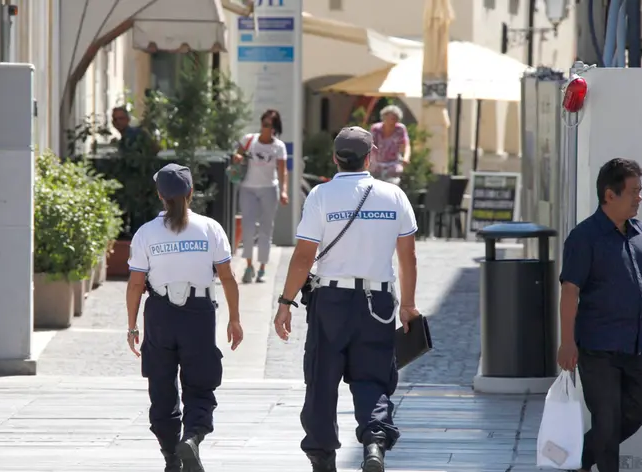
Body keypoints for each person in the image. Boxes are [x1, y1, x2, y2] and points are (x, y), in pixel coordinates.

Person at [273, 126, 421, 472]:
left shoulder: (321, 196)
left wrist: (285, 301)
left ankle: (322, 457)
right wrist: (409, 305)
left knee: (322, 378)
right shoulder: (394, 196)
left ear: (336, 157)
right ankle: (374, 443)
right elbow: (408, 256)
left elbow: (304, 256)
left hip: (331, 301)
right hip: (378, 303)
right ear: (371, 157)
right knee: (373, 377)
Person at [125, 163, 245, 472]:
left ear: (160, 195)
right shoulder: (210, 228)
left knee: (161, 386)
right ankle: (192, 436)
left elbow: (136, 284)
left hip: (160, 314)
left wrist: (131, 325)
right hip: (199, 314)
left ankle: (170, 455)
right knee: (201, 383)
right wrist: (235, 319)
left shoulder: (145, 233)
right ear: (191, 193)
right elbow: (228, 278)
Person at [557, 158, 642, 472]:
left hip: (636, 345)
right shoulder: (584, 237)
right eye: (633, 191)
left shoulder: (640, 233)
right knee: (606, 422)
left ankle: (580, 457)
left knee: (639, 410)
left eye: (640, 190)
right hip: (598, 347)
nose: (639, 197)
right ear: (610, 195)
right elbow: (570, 291)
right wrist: (567, 342)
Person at [232, 109, 289, 284]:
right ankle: (249, 265)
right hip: (248, 188)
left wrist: (284, 191)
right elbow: (237, 154)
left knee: (266, 229)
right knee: (248, 228)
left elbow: (282, 171)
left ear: (275, 128)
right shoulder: (250, 140)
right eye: (263, 124)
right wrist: (237, 156)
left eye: (269, 126)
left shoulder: (278, 146)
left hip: (269, 189)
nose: (265, 128)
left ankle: (262, 267)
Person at [369, 105, 411, 182]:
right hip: (376, 164)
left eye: (395, 119)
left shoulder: (400, 129)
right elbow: (369, 145)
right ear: (384, 118)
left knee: (393, 183)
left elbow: (406, 144)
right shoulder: (375, 129)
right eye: (390, 119)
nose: (392, 122)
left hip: (392, 164)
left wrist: (406, 157)